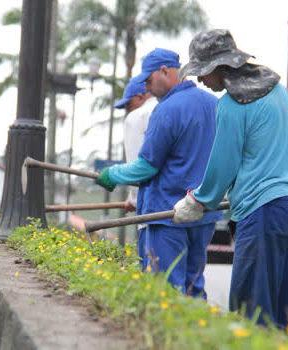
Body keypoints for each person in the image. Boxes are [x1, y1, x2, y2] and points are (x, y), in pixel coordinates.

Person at [173, 29, 288, 328]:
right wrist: (272, 166)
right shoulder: (277, 90)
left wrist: (198, 200)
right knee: (281, 311)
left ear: (218, 67)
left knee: (250, 311)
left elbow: (222, 165)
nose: (200, 79)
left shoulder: (230, 105)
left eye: (202, 72)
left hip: (264, 213)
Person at [96, 48, 221, 298]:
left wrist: (112, 175)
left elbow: (146, 167)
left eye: (149, 81)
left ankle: (164, 338)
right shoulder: (214, 105)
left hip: (168, 215)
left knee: (164, 290)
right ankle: (195, 335)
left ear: (165, 71)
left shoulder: (167, 110)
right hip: (204, 213)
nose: (148, 89)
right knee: (193, 286)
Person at [113, 78, 157, 268]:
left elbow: (137, 166)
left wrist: (133, 199)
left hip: (152, 210)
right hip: (187, 208)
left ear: (141, 96)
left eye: (129, 104)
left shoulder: (138, 116)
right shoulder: (175, 109)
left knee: (154, 275)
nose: (128, 111)